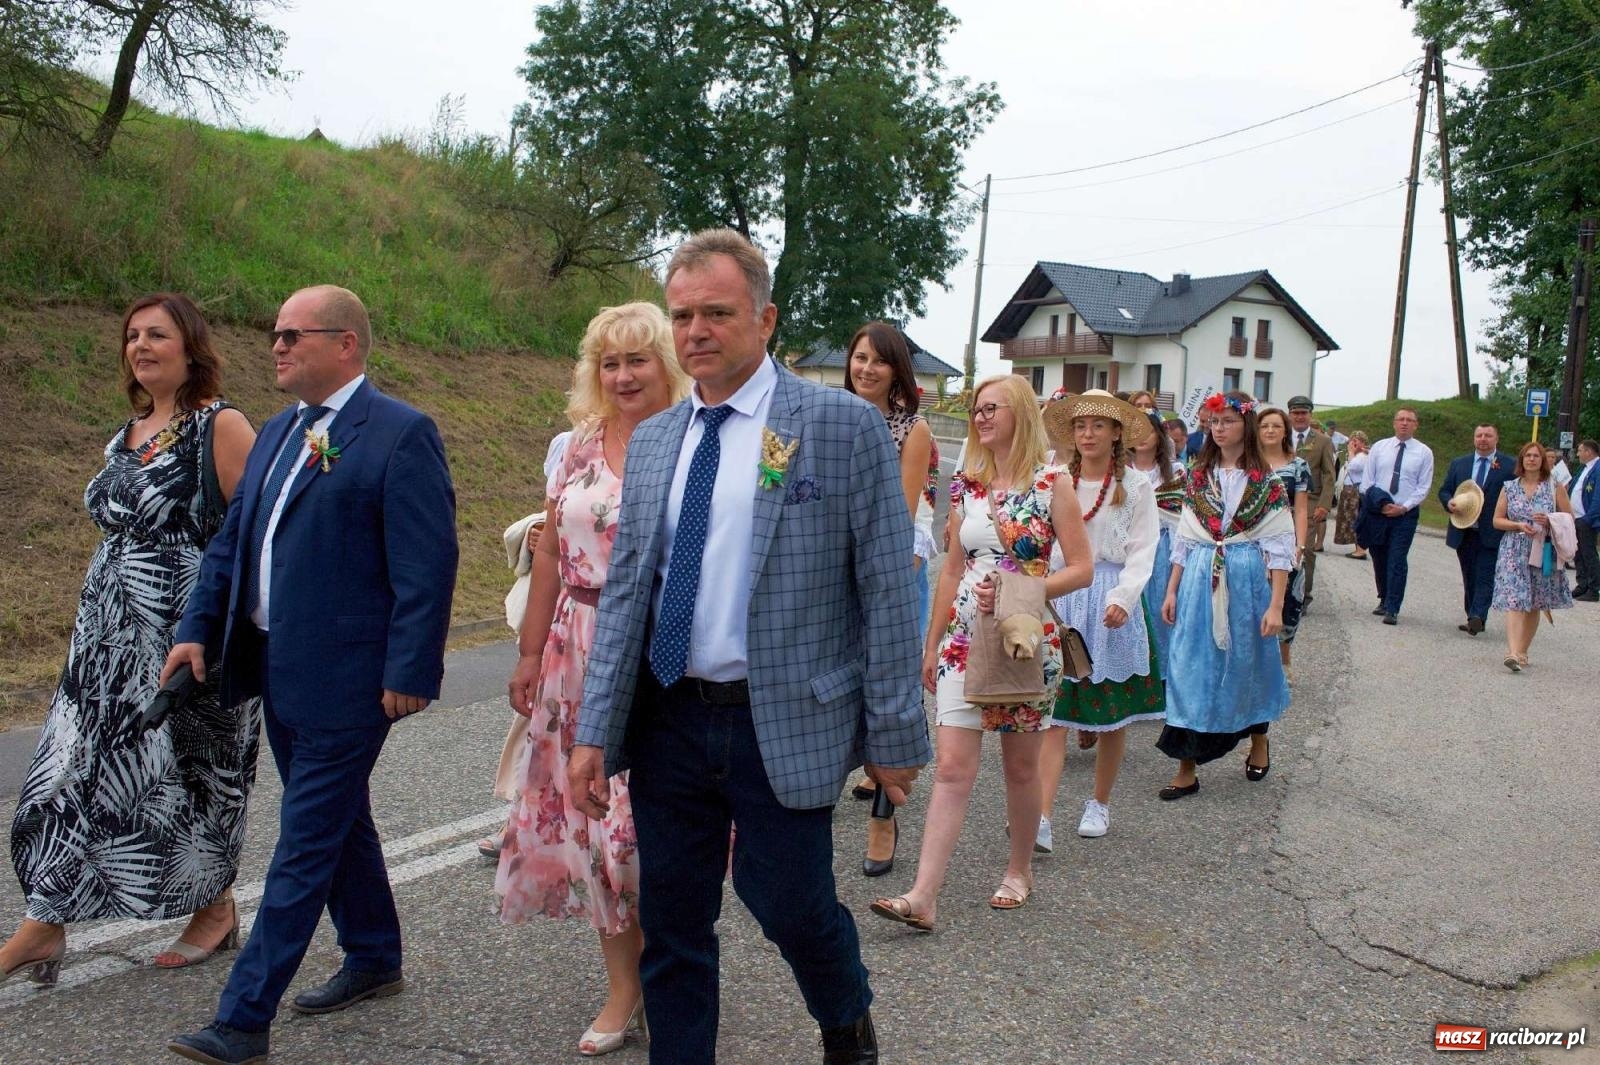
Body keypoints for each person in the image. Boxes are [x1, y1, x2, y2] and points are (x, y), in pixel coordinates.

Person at [567, 229, 929, 1065]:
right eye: (683, 313)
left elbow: (882, 585)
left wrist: (893, 740)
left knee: (790, 902)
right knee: (676, 921)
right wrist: (595, 731)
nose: (696, 330)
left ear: (764, 319)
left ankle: (846, 1014)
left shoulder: (837, 427)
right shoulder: (659, 437)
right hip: (671, 718)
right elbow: (628, 595)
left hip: (783, 719)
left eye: (717, 312)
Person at [163, 285, 459, 1065]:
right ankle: (374, 955)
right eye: (275, 334)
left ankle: (242, 1019)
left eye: (294, 335)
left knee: (303, 843)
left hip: (352, 682)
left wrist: (410, 668)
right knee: (336, 822)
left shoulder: (400, 434)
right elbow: (233, 544)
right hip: (277, 671)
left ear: (346, 345)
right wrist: (197, 629)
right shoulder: (277, 432)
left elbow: (427, 565)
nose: (277, 346)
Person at [4, 294, 259, 987]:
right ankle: (43, 922)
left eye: (157, 334)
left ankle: (214, 907)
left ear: (191, 347)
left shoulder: (222, 426)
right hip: (104, 645)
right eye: (131, 336)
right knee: (67, 774)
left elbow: (255, 535)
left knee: (186, 775)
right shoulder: (127, 434)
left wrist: (222, 634)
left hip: (186, 634)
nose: (140, 346)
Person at [498, 303, 689, 1056]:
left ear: (667, 364)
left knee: (647, 833)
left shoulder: (691, 444)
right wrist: (527, 650)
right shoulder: (576, 446)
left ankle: (674, 968)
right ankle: (624, 981)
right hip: (572, 651)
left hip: (657, 652)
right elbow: (548, 552)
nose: (622, 375)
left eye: (638, 360)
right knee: (587, 826)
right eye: (609, 362)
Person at [870, 374, 1091, 927]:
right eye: (976, 409)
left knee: (1019, 767)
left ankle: (1019, 870)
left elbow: (1083, 569)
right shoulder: (967, 484)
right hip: (963, 641)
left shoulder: (1052, 481)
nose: (982, 417)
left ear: (1020, 412)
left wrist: (1030, 587)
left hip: (1022, 639)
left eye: (992, 407)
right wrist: (932, 641)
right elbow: (951, 569)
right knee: (951, 766)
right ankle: (923, 896)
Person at [1038, 391, 1162, 844]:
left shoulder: (1136, 485)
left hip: (1109, 598)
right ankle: (1043, 815)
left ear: (1115, 434)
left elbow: (1144, 548)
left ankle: (1100, 802)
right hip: (1064, 600)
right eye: (1080, 426)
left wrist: (1125, 598)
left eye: (1097, 426)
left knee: (1112, 714)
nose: (1087, 434)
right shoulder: (1053, 479)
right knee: (1052, 714)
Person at [1156, 391, 1293, 798]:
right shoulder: (1197, 478)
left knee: (1245, 662)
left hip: (1246, 578)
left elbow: (1281, 547)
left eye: (1228, 421)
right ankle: (1186, 766)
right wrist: (1171, 589)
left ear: (1245, 425)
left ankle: (1258, 738)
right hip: (1199, 577)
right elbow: (1185, 536)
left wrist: (1276, 604)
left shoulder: (1265, 483)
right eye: (1214, 422)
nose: (1219, 429)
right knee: (1188, 665)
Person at [842, 320, 938, 878]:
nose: (867, 369)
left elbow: (900, 517)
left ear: (895, 370)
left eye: (879, 360)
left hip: (888, 576)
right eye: (859, 357)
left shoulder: (912, 429)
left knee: (889, 688)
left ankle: (885, 813)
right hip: (830, 577)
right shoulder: (825, 417)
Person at [481, 429, 573, 862]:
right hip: (559, 611)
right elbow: (551, 518)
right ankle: (520, 820)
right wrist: (538, 531)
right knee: (540, 719)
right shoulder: (568, 443)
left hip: (608, 611)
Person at [1492, 441, 1575, 671]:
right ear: (1521, 460)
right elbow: (1497, 520)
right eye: (1527, 455)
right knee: (1514, 599)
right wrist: (1517, 523)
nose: (1531, 459)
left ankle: (1523, 650)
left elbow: (1569, 517)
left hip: (1542, 548)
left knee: (1534, 602)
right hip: (1513, 548)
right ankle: (1512, 652)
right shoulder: (1509, 487)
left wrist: (1549, 519)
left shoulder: (1554, 486)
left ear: (1543, 461)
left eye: (1536, 456)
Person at [1359, 407, 1434, 624]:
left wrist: (1404, 507)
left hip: (1404, 515)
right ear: (1394, 423)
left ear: (1415, 425)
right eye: (1400, 419)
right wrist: (1381, 505)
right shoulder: (1380, 448)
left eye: (1409, 420)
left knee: (1397, 558)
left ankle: (1393, 606)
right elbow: (1367, 482)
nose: (1404, 423)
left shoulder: (1423, 452)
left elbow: (1423, 486)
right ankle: (1383, 597)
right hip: (1378, 512)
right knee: (1379, 556)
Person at [1438, 424, 1515, 636]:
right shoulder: (1459, 464)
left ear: (1496, 438)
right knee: (1469, 575)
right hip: (1464, 530)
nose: (1483, 439)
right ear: (1474, 438)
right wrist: (1449, 502)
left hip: (1492, 532)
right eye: (1479, 435)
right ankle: (1472, 613)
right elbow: (1444, 490)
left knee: (1485, 575)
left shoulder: (1509, 466)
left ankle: (1478, 616)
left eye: (1488, 435)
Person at [1130, 409, 1185, 677]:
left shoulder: (1175, 472)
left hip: (1163, 549)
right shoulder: (1119, 471)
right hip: (1128, 549)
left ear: (1159, 435)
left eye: (1148, 430)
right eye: (1135, 430)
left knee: (1158, 611)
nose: (1141, 437)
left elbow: (1180, 520)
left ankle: (1161, 676)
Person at [1257, 407, 1309, 684]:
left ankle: (1284, 659)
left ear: (1285, 431)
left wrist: (1299, 546)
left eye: (1276, 426)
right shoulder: (1247, 464)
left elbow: (1300, 510)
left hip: (1285, 541)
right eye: (1265, 425)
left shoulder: (1298, 466)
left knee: (1288, 604)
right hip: (1252, 542)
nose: (1270, 430)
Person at [1286, 396, 1335, 603]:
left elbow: (1328, 475)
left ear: (1310, 415)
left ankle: (1303, 595)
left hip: (1310, 501)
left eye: (1303, 413)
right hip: (1280, 502)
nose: (1299, 417)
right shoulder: (1279, 436)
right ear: (1289, 414)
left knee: (1304, 548)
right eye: (1295, 413)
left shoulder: (1323, 441)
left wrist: (1324, 505)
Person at [1570, 439, 1600, 602]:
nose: (1578, 454)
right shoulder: (1584, 468)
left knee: (1588, 554)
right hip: (1576, 518)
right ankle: (1582, 585)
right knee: (1578, 554)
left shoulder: (1598, 469)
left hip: (1585, 519)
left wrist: (1589, 518)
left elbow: (1598, 497)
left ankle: (1594, 588)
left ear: (1589, 452)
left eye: (1580, 450)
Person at [1333, 430, 1369, 559]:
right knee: (1350, 519)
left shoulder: (1363, 457)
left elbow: (1353, 467)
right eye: (1352, 440)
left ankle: (1360, 549)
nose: (1353, 443)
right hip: (1349, 490)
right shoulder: (1356, 456)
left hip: (1356, 491)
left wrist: (1351, 452)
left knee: (1355, 519)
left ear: (1363, 442)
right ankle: (1357, 547)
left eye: (1356, 441)